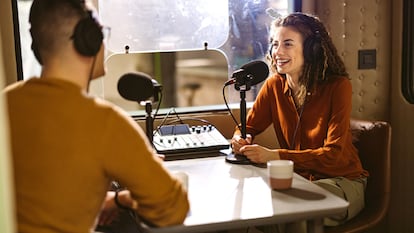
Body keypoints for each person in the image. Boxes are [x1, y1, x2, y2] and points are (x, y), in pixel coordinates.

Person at [4, 0, 189, 232]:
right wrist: (151, 181)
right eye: (102, 32)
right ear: (88, 40)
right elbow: (172, 209)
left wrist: (115, 200)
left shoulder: (6, 102)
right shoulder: (105, 121)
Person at [231, 12, 369, 231]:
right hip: (297, 181)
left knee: (293, 215)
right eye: (275, 44)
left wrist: (274, 155)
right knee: (251, 211)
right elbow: (248, 127)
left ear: (311, 49)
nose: (278, 52)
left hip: (342, 182)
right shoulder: (274, 85)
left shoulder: (338, 87)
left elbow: (332, 154)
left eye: (288, 44)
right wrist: (240, 138)